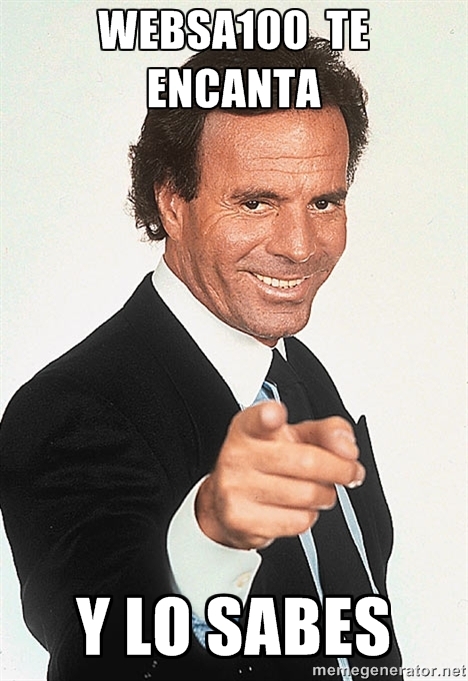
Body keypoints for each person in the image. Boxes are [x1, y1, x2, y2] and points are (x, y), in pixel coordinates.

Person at [0, 37, 402, 680]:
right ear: (171, 202)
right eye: (256, 202)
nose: (301, 248)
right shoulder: (67, 411)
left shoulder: (297, 372)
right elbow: (95, 652)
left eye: (324, 202)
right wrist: (209, 535)